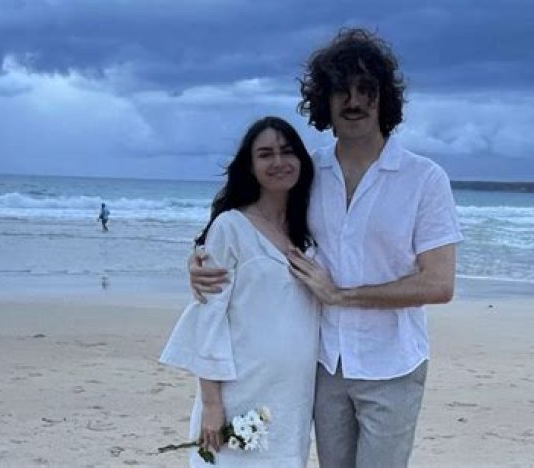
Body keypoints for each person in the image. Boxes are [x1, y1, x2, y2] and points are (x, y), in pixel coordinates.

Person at [189, 28, 463, 468]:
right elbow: (254, 223)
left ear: (384, 98)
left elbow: (439, 283)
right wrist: (200, 262)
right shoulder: (307, 172)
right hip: (324, 365)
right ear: (324, 100)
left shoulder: (424, 178)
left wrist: (342, 296)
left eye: (366, 89)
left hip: (392, 364)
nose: (354, 101)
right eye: (341, 90)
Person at [159, 116, 319, 467]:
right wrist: (212, 404)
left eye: (287, 151)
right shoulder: (231, 227)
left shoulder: (310, 229)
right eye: (265, 154)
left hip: (292, 397)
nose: (278, 161)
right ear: (250, 165)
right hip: (240, 389)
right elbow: (209, 317)